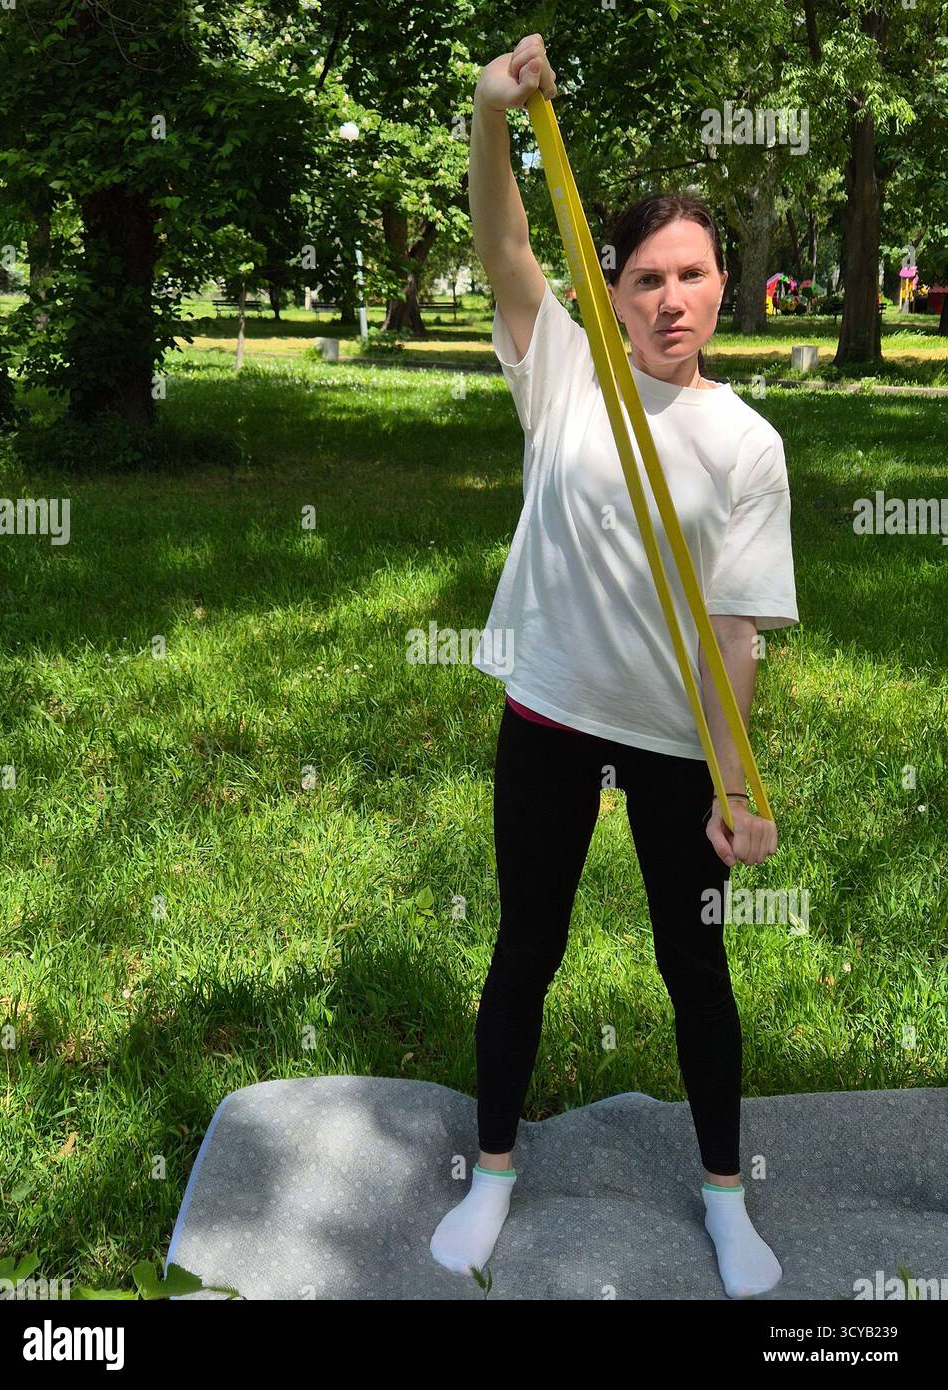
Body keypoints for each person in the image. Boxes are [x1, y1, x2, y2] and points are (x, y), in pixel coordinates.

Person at [430, 34, 799, 1298]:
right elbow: (503, 250)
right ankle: (489, 1174)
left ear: (722, 283)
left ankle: (723, 1199)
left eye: (691, 274)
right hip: (551, 710)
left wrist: (735, 784)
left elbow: (733, 628)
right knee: (524, 950)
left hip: (671, 736)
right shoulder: (566, 371)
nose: (669, 299)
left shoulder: (748, 444)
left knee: (695, 965)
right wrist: (493, 113)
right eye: (644, 276)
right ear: (614, 284)